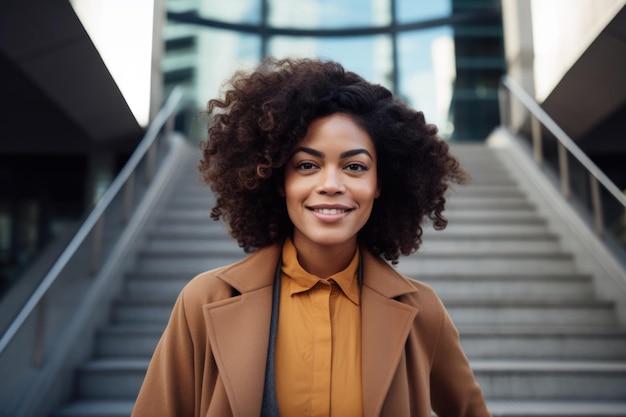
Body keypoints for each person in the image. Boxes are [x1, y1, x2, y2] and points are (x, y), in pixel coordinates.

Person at [132, 57, 491, 417]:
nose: (331, 185)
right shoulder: (203, 300)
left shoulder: (422, 311)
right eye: (307, 165)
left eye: (355, 167)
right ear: (278, 179)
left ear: (380, 183)